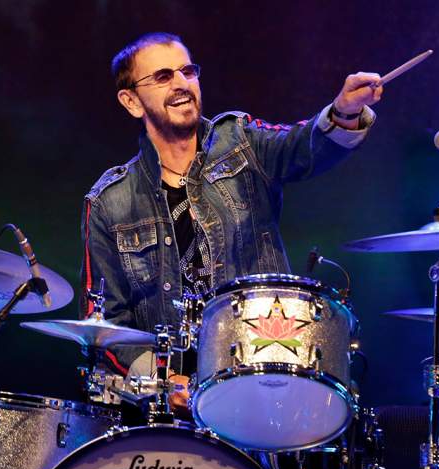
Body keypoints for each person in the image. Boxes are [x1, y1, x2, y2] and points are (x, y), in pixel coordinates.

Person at [79, 32, 382, 406]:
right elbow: (104, 324)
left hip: (264, 376)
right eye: (163, 77)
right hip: (170, 407)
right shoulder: (109, 202)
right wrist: (163, 382)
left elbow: (301, 148)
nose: (181, 84)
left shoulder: (240, 140)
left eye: (188, 71)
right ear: (131, 101)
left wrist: (343, 112)